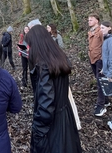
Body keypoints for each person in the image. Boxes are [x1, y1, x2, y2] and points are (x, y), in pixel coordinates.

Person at [26, 25, 82, 153]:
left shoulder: (44, 66)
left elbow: (46, 104)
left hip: (54, 122)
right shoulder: (59, 58)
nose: (30, 49)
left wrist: (38, 130)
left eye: (31, 45)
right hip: (65, 115)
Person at [88, 13, 109, 117]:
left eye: (91, 20)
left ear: (97, 20)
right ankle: (106, 100)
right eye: (88, 20)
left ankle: (101, 105)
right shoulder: (90, 32)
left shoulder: (100, 31)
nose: (89, 22)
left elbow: (105, 44)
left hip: (100, 60)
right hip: (93, 59)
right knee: (99, 79)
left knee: (100, 82)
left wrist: (103, 59)